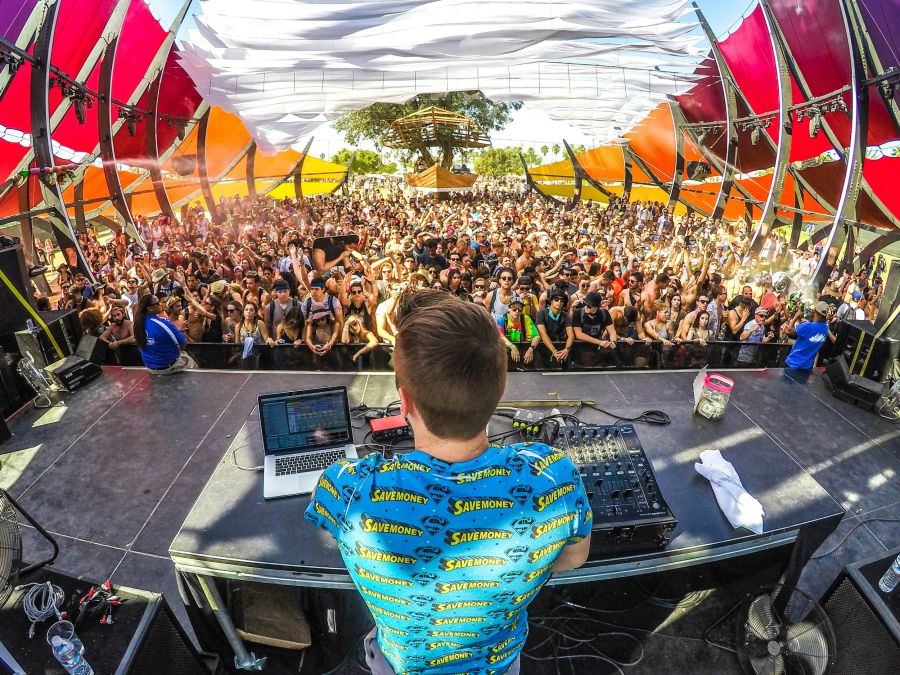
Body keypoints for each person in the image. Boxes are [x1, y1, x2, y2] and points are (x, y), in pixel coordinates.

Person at [305, 290, 591, 675]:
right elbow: (573, 558)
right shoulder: (554, 475)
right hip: (500, 663)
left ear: (404, 402)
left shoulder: (350, 486)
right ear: (499, 389)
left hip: (401, 665)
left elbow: (320, 504)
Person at [133, 294, 193, 375]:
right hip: (169, 367)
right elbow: (183, 343)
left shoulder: (138, 324)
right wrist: (181, 331)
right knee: (195, 366)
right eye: (157, 303)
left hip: (151, 368)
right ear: (149, 308)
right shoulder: (163, 323)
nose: (160, 305)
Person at [784, 301, 833, 370]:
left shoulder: (808, 326)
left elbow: (788, 331)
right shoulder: (825, 329)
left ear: (814, 311)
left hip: (793, 364)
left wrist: (796, 315)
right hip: (807, 368)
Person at [497, 294, 539, 363]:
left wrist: (531, 349)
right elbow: (500, 336)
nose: (517, 311)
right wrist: (512, 346)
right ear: (509, 308)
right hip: (506, 351)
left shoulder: (526, 319)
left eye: (520, 309)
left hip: (522, 351)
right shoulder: (501, 319)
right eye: (514, 309)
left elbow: (536, 336)